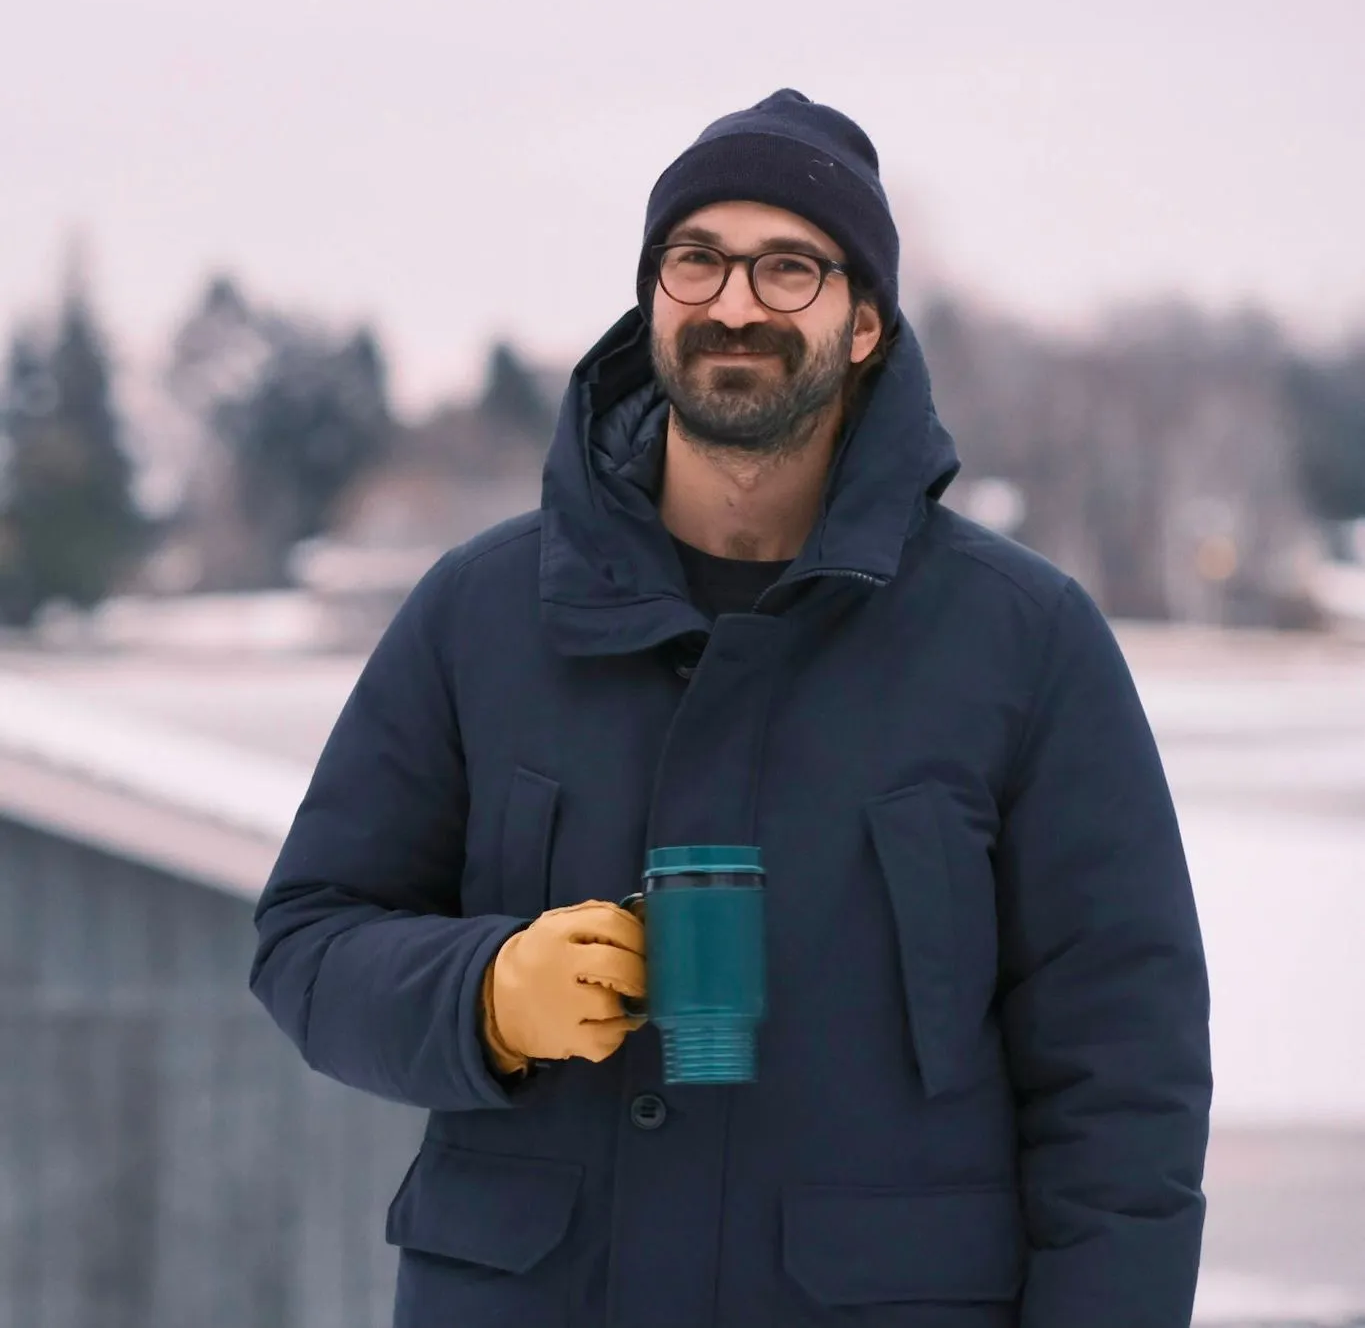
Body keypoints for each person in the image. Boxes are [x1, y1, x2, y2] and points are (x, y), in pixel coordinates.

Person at [250, 89, 1212, 1328]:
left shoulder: (1023, 642)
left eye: (789, 268)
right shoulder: (479, 613)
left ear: (865, 323)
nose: (735, 303)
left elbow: (1126, 1087)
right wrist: (485, 994)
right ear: (653, 299)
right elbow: (308, 942)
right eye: (695, 260)